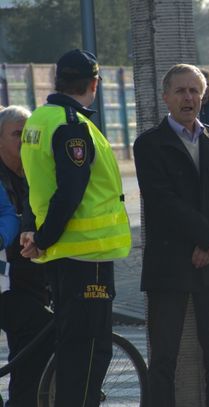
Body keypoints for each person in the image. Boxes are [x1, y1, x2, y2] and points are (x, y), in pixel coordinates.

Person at [19, 49, 132, 407]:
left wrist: (35, 232)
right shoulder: (73, 126)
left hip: (63, 252)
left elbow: (36, 184)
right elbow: (69, 192)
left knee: (72, 348)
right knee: (88, 353)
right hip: (87, 253)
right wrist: (42, 237)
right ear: (94, 83)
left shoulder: (39, 119)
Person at [133, 64, 209, 407]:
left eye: (195, 90)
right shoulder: (149, 144)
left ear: (203, 96)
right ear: (166, 97)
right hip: (169, 265)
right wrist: (208, 237)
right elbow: (162, 201)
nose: (188, 97)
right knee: (163, 359)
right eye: (180, 91)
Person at [0, 105, 55, 406]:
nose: (24, 141)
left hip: (32, 279)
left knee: (26, 351)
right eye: (17, 135)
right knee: (41, 331)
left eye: (29, 135)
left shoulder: (36, 173)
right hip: (6, 283)